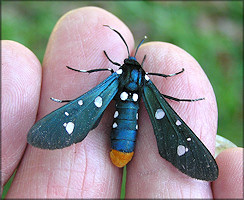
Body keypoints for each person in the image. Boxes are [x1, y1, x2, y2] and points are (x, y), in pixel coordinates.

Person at [2, 7, 243, 198]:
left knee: (84, 104)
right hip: (122, 145)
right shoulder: (144, 82)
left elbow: (94, 83)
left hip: (121, 144)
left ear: (121, 68)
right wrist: (169, 82)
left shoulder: (115, 76)